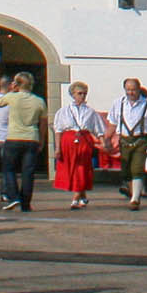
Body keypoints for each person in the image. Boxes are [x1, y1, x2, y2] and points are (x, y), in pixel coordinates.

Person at [106, 78, 147, 211]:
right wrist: (107, 139)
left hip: (141, 140)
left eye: (133, 90)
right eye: (128, 90)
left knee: (137, 168)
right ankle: (134, 193)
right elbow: (112, 123)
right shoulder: (118, 103)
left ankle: (135, 199)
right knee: (126, 171)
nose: (131, 92)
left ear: (139, 89)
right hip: (124, 140)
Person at [53, 81, 105, 210]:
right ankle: (82, 195)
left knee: (81, 168)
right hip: (68, 141)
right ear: (73, 94)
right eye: (79, 93)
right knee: (72, 168)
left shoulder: (91, 112)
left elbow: (99, 129)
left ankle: (76, 198)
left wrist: (104, 143)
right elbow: (58, 130)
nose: (82, 96)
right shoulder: (64, 111)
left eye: (84, 94)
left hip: (84, 141)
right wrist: (58, 148)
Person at [0, 73, 46, 211]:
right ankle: (26, 203)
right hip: (31, 137)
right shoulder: (39, 101)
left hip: (14, 136)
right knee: (28, 172)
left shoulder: (12, 97)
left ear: (17, 84)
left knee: (9, 168)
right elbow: (43, 123)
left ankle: (14, 197)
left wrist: (12, 90)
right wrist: (42, 141)